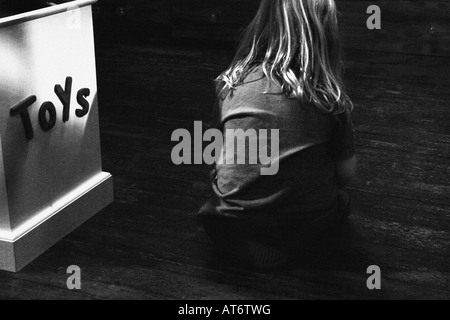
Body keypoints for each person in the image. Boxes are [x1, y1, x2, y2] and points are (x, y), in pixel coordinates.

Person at [198, 0, 357, 269]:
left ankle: (253, 243)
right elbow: (346, 174)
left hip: (228, 225)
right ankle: (289, 246)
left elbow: (215, 155)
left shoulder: (231, 84)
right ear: (325, 34)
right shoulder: (329, 99)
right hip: (305, 227)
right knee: (341, 202)